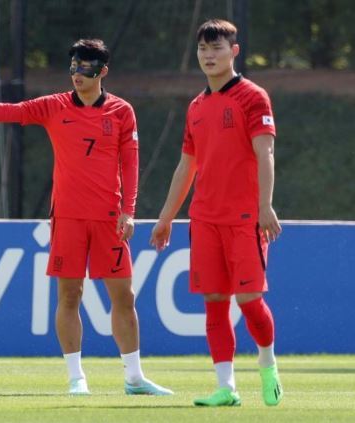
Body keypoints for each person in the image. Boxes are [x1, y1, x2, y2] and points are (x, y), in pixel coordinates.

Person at [0, 39, 171, 397]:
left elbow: (130, 163)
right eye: (72, 67)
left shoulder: (121, 112)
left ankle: (134, 378)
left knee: (124, 297)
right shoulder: (53, 106)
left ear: (102, 72)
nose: (77, 75)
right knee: (70, 294)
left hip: (109, 219)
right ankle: (76, 378)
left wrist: (129, 211)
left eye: (85, 68)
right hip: (68, 217)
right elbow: (8, 111)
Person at [150, 19, 283, 407]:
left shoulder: (253, 97)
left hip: (244, 218)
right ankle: (226, 387)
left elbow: (266, 153)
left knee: (249, 301)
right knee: (213, 300)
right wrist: (165, 217)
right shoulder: (196, 106)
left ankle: (267, 363)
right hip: (204, 219)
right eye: (203, 50)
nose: (209, 56)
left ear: (234, 52)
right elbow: (185, 166)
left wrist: (264, 206)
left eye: (217, 48)